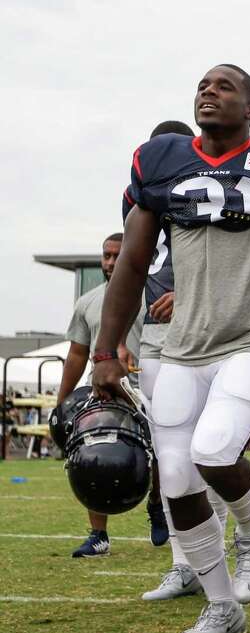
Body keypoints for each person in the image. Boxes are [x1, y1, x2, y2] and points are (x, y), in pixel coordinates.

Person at [92, 63, 250, 633]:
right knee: (174, 476)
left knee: (214, 452)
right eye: (202, 84)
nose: (209, 90)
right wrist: (105, 348)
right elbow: (131, 265)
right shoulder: (162, 166)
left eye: (224, 86)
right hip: (181, 348)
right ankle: (223, 606)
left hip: (249, 338)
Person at [127, 120, 233, 604]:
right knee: (170, 453)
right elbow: (132, 269)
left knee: (209, 449)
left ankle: (215, 558)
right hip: (154, 334)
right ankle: (182, 562)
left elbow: (232, 262)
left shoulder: (210, 186)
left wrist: (189, 297)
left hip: (204, 329)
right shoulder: (137, 196)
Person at [55, 233, 143, 558]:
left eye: (117, 255)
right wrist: (62, 403)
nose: (110, 262)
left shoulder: (151, 294)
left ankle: (161, 508)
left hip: (150, 387)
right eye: (106, 255)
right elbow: (77, 354)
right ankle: (98, 535)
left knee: (168, 456)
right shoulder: (88, 301)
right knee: (95, 456)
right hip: (104, 391)